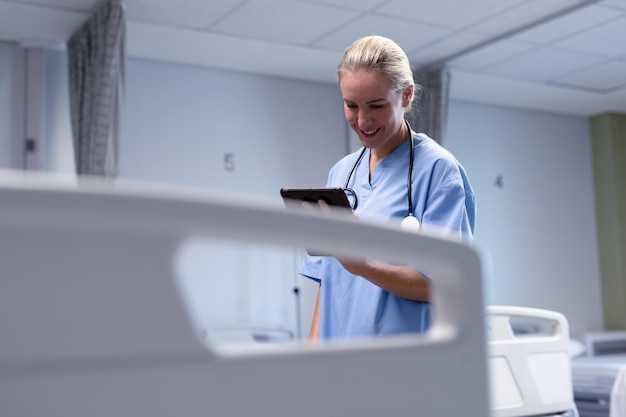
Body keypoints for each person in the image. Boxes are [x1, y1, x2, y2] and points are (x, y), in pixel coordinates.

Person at [298, 35, 476, 344]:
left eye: (376, 106)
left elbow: (446, 287)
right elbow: (327, 281)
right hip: (336, 367)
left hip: (401, 367)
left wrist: (363, 265)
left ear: (406, 96)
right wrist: (310, 354)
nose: (363, 120)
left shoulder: (438, 171)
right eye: (351, 105)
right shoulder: (340, 173)